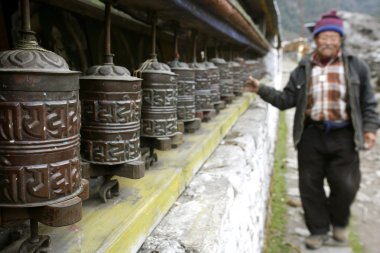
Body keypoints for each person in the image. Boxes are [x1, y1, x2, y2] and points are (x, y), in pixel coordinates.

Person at [245, 10, 380, 250]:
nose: (328, 41)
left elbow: (368, 102)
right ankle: (317, 229)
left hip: (344, 135)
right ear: (315, 39)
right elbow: (286, 99)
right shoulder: (303, 67)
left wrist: (370, 129)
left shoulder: (355, 66)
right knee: (310, 186)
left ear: (340, 40)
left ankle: (338, 222)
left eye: (333, 37)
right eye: (323, 36)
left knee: (347, 185)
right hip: (311, 135)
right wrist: (260, 89)